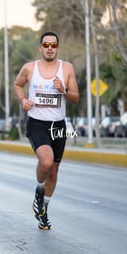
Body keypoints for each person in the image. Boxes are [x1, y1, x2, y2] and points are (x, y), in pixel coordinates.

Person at [13, 31, 79, 230]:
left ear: (57, 48)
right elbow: (17, 85)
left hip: (58, 126)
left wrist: (64, 91)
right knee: (47, 161)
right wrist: (23, 99)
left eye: (53, 45)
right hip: (37, 124)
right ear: (40, 48)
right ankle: (39, 191)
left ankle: (43, 210)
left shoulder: (66, 68)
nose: (50, 48)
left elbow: (76, 97)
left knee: (54, 171)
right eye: (46, 45)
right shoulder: (30, 68)